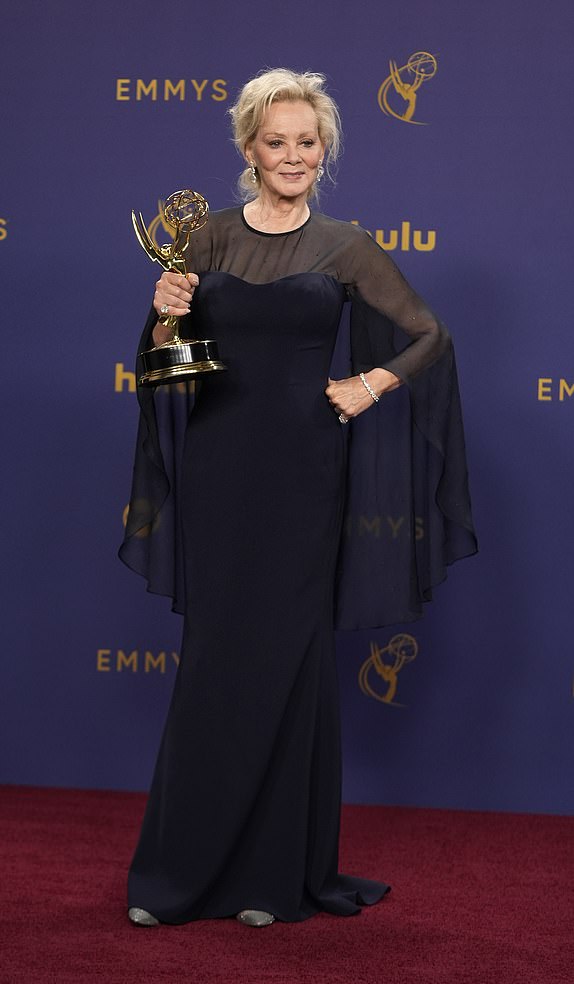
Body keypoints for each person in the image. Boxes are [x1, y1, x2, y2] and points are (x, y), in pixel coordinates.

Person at [120, 68, 476, 929]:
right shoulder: (202, 238)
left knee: (289, 660)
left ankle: (271, 879)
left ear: (324, 153)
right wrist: (165, 316)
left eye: (306, 142)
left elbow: (430, 334)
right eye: (274, 141)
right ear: (250, 149)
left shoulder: (346, 245)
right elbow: (164, 363)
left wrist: (372, 382)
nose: (291, 155)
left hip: (306, 473)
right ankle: (182, 876)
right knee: (214, 660)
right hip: (218, 468)